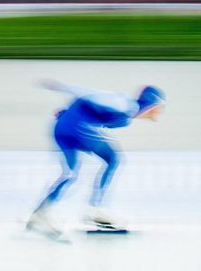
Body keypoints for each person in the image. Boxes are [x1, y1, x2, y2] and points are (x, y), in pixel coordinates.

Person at [26, 79, 165, 238]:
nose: (158, 113)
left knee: (71, 175)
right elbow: (92, 94)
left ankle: (40, 214)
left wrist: (68, 108)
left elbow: (90, 107)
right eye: (159, 108)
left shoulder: (126, 118)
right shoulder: (126, 104)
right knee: (113, 159)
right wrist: (64, 87)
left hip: (63, 127)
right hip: (75, 127)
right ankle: (95, 210)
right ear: (152, 105)